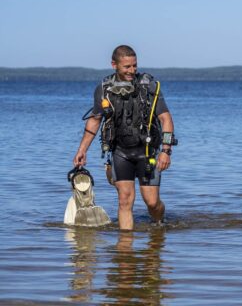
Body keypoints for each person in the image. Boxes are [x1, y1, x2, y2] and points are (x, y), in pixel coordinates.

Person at [73, 45, 176, 230]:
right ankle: (124, 250)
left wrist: (166, 151)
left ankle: (159, 224)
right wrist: (82, 150)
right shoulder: (103, 89)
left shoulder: (149, 86)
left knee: (152, 203)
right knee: (124, 200)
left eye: (134, 66)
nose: (132, 70)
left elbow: (165, 118)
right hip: (120, 152)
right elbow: (94, 121)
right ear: (114, 65)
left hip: (147, 152)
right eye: (127, 67)